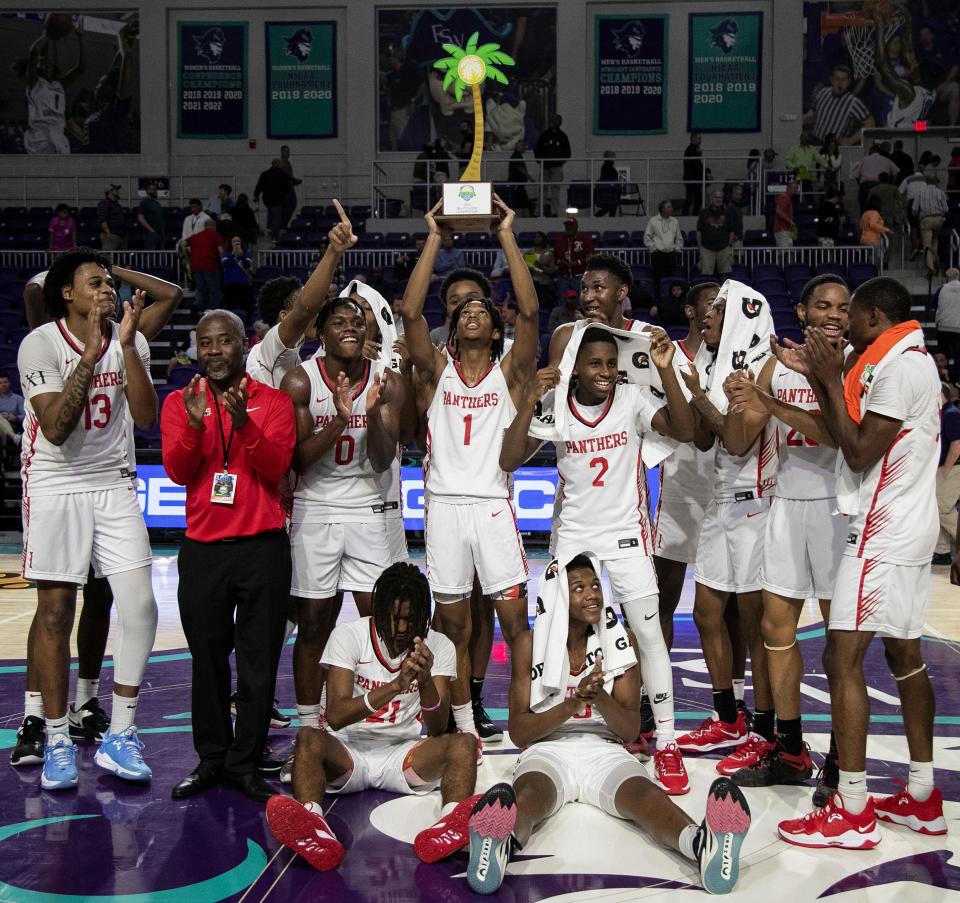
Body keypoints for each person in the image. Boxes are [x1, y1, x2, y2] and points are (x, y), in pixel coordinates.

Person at [464, 554, 751, 896]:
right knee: (528, 796)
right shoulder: (528, 643)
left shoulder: (621, 640)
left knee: (648, 799)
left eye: (596, 586)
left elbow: (630, 730)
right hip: (548, 750)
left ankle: (701, 845)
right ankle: (498, 846)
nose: (592, 595)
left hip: (605, 751)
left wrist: (598, 696)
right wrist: (574, 702)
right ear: (558, 595)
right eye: (579, 588)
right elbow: (520, 732)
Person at [775, 277, 946, 847]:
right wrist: (817, 377)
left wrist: (824, 375)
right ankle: (922, 798)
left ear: (873, 315)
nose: (845, 326)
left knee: (840, 656)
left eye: (854, 316)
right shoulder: (907, 359)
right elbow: (845, 427)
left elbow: (856, 449)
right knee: (906, 657)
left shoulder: (897, 370)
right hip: (909, 528)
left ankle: (851, 808)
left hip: (881, 529)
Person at [500, 324, 696, 794]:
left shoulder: (632, 400)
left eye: (612, 363)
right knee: (555, 634)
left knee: (648, 633)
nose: (606, 372)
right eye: (595, 364)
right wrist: (529, 399)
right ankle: (552, 724)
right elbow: (509, 460)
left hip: (626, 533)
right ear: (575, 368)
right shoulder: (555, 405)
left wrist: (666, 373)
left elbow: (686, 431)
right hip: (574, 538)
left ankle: (666, 740)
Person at [12, 263, 182, 770]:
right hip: (55, 482)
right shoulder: (40, 344)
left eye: (111, 283)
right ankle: (56, 737)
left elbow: (147, 419)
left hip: (114, 482)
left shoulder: (130, 339)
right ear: (66, 294)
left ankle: (121, 733)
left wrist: (126, 348)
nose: (109, 290)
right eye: (96, 283)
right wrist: (89, 355)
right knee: (57, 610)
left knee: (139, 607)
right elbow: (58, 429)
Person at [401, 195, 539, 745]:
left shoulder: (511, 373)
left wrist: (507, 232)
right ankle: (461, 726)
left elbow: (530, 312)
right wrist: (434, 234)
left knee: (513, 621)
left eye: (483, 304)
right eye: (463, 309)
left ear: (493, 321)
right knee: (452, 624)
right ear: (453, 328)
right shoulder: (436, 373)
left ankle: (522, 715)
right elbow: (410, 314)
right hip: (444, 509)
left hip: (491, 506)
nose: (473, 309)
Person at [720, 276, 851, 796]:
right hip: (783, 506)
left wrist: (768, 404)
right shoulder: (773, 365)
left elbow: (830, 433)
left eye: (843, 307)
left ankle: (843, 756)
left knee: (841, 646)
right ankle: (791, 749)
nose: (835, 315)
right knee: (777, 631)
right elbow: (736, 443)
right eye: (823, 305)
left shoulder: (856, 365)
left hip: (838, 508)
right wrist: (734, 400)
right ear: (802, 311)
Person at [161, 309, 296, 803]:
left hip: (262, 548)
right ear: (198, 348)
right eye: (206, 342)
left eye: (224, 341)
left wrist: (245, 427)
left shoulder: (274, 402)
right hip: (203, 551)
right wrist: (196, 427)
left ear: (244, 344)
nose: (215, 350)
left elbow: (277, 467)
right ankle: (212, 759)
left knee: (258, 664)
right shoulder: (181, 401)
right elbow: (178, 471)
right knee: (208, 660)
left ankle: (244, 764)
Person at [266, 562, 480, 871]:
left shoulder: (438, 644)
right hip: (348, 754)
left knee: (463, 745)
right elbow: (337, 716)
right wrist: (395, 686)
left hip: (403, 757)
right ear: (378, 610)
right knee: (308, 738)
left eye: (411, 619)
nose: (402, 628)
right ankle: (313, 825)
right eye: (394, 618)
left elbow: (436, 728)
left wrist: (425, 679)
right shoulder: (349, 635)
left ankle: (450, 825)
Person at [280, 294, 408, 749]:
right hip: (315, 508)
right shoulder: (299, 381)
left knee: (379, 617)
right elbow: (298, 460)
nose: (351, 328)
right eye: (339, 322)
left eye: (357, 321)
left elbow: (382, 458)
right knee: (314, 621)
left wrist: (370, 413)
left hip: (367, 507)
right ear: (321, 332)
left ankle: (383, 709)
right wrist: (339, 418)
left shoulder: (385, 381)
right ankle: (309, 725)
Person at [673, 291, 778, 774]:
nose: (707, 318)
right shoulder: (717, 365)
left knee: (757, 626)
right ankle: (728, 716)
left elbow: (736, 443)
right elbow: (702, 436)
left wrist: (696, 393)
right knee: (706, 612)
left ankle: (764, 728)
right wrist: (690, 387)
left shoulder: (761, 366)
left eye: (717, 311)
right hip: (721, 501)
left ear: (739, 316)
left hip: (758, 504)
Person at [653, 283, 719, 652]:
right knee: (663, 602)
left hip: (725, 488)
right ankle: (654, 694)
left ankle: (734, 699)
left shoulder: (730, 358)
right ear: (691, 312)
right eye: (711, 305)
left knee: (722, 609)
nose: (715, 312)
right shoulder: (666, 354)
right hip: (677, 491)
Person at [13, 26, 84, 155]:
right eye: (42, 62)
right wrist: (47, 34)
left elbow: (81, 68)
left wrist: (80, 38)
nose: (47, 64)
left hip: (59, 135)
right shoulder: (34, 82)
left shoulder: (59, 85)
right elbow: (33, 52)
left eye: (49, 62)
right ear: (35, 67)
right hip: (40, 136)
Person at [804, 64, 875, 145]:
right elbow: (810, 115)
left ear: (848, 82)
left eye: (844, 79)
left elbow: (871, 124)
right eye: (837, 79)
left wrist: (850, 140)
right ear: (831, 80)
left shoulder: (853, 102)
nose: (840, 83)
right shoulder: (823, 92)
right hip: (812, 141)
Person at [934, 382, 960, 566]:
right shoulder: (944, 413)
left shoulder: (951, 414)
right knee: (936, 508)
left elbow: (957, 444)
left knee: (943, 508)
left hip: (952, 467)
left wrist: (946, 468)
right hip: (945, 466)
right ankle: (942, 551)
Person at [643, 200, 683, 298]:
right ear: (662, 209)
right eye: (669, 207)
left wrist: (677, 249)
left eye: (671, 207)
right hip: (658, 254)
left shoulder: (675, 221)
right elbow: (647, 236)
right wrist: (653, 248)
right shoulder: (653, 221)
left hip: (671, 254)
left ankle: (670, 298)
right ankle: (659, 299)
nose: (671, 209)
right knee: (657, 278)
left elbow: (679, 237)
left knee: (671, 278)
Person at [533, 114, 571, 218]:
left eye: (557, 120)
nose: (555, 122)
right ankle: (539, 212)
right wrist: (540, 161)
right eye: (553, 120)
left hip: (556, 167)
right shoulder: (544, 135)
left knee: (555, 189)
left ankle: (554, 212)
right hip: (545, 167)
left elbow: (567, 153)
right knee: (542, 189)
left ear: (560, 122)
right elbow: (537, 150)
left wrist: (558, 162)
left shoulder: (563, 136)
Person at [553, 217, 595, 300]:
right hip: (563, 277)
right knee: (563, 302)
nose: (568, 228)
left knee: (581, 301)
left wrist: (578, 262)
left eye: (571, 225)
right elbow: (555, 257)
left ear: (576, 226)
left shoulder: (584, 239)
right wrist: (560, 262)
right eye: (567, 226)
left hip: (579, 276)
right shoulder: (560, 240)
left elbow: (591, 257)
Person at [186, 219, 223, 311]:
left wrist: (188, 256)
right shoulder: (216, 235)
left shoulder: (196, 236)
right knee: (213, 289)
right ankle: (212, 310)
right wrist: (223, 262)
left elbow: (183, 243)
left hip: (196, 266)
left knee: (201, 289)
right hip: (210, 265)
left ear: (205, 226)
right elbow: (220, 250)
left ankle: (197, 305)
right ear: (214, 227)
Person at [914, 175, 949, 273]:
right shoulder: (941, 192)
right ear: (936, 183)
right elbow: (946, 209)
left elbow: (915, 209)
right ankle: (934, 260)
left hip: (926, 220)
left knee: (927, 244)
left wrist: (916, 215)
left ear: (926, 183)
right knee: (935, 239)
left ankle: (931, 268)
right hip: (939, 220)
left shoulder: (920, 193)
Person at [696, 190, 735, 278]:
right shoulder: (704, 212)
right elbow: (699, 231)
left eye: (720, 197)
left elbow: (731, 231)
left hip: (724, 248)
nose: (718, 199)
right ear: (711, 198)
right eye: (716, 197)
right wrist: (700, 246)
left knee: (725, 275)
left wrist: (729, 245)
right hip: (707, 249)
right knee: (707, 275)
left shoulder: (727, 212)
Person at [253, 159, 295, 239]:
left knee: (270, 212)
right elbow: (287, 186)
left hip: (267, 199)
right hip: (278, 199)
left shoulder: (265, 174)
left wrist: (256, 195)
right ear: (278, 164)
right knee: (277, 217)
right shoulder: (281, 174)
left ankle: (269, 227)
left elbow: (259, 186)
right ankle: (274, 235)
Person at [221, 236, 253, 313]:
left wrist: (241, 255)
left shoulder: (246, 254)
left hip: (242, 282)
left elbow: (247, 265)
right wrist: (232, 254)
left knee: (243, 305)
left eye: (238, 241)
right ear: (230, 243)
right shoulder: (225, 254)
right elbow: (225, 264)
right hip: (229, 282)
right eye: (234, 241)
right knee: (229, 305)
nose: (236, 243)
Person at [935, 268, 960, 366]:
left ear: (946, 278)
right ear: (958, 277)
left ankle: (945, 373)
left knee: (944, 355)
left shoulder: (942, 289)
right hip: (958, 329)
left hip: (943, 328)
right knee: (958, 356)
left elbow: (933, 304)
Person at [527, 231, 556, 308]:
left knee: (543, 305)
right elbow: (526, 268)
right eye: (535, 237)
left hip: (544, 283)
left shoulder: (549, 253)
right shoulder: (529, 252)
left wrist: (541, 267)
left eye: (539, 237)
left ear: (543, 239)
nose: (536, 239)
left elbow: (552, 270)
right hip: (532, 283)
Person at [277, 145, 303, 232]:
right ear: (282, 152)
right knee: (289, 206)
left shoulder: (287, 163)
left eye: (288, 151)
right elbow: (286, 176)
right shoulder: (282, 163)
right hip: (286, 189)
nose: (288, 153)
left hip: (289, 187)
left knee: (291, 205)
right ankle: (282, 224)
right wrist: (295, 180)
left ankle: (283, 224)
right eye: (286, 151)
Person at [97, 184, 126, 251]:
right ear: (110, 191)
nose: (118, 192)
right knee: (108, 258)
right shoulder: (104, 203)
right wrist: (108, 233)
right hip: (112, 235)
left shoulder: (116, 204)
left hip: (121, 235)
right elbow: (102, 219)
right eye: (116, 190)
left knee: (120, 259)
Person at [137, 181, 165, 251]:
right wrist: (151, 230)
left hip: (160, 233)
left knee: (160, 256)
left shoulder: (157, 204)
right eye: (153, 189)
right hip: (150, 234)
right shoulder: (144, 203)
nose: (155, 191)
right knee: (151, 256)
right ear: (147, 191)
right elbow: (140, 218)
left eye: (156, 189)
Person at [508, 139, 533, 216]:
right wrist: (531, 178)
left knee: (522, 204)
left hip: (519, 185)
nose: (524, 147)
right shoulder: (516, 156)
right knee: (522, 204)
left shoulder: (518, 156)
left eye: (524, 146)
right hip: (517, 185)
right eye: (522, 146)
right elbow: (521, 169)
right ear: (517, 147)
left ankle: (524, 220)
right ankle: (523, 221)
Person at [0, 372, 24, 449]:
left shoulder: (18, 399)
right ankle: (14, 437)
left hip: (12, 425)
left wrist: (15, 417)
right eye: (0, 383)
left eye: (5, 382)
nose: (3, 385)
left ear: (10, 383)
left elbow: (26, 416)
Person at [682, 132, 704, 215]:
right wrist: (706, 173)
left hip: (695, 178)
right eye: (699, 138)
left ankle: (693, 214)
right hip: (692, 178)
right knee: (691, 198)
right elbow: (697, 164)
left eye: (700, 139)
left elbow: (698, 164)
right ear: (692, 139)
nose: (700, 141)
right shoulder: (691, 150)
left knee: (697, 198)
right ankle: (686, 215)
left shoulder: (695, 150)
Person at [773, 181, 798, 248]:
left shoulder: (789, 199)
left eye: (796, 188)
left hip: (787, 230)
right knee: (784, 254)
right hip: (782, 230)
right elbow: (778, 211)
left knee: (789, 253)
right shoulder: (784, 197)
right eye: (794, 188)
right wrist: (790, 221)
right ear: (788, 188)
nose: (796, 190)